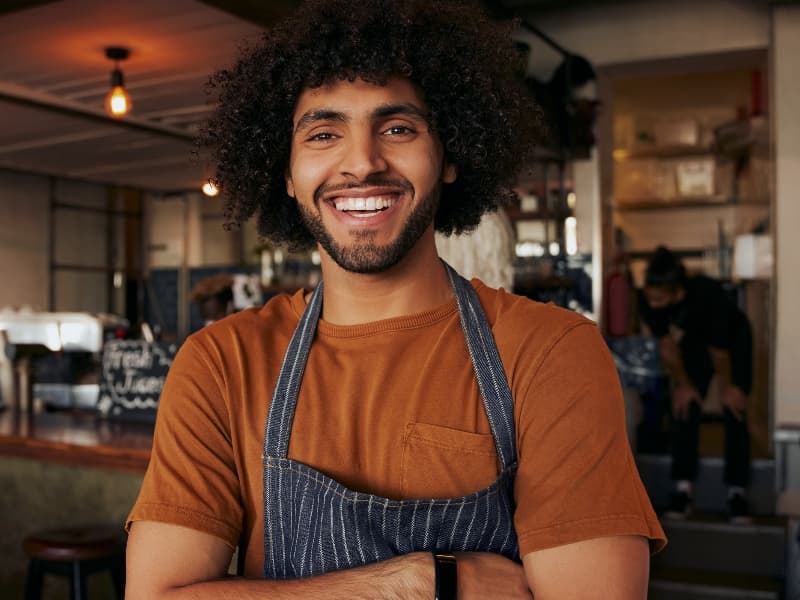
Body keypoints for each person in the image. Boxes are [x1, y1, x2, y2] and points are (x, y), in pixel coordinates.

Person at [125, 1, 666, 597]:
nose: (362, 161)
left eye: (398, 128)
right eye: (324, 134)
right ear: (286, 172)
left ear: (451, 156)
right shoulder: (220, 364)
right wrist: (414, 582)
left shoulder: (550, 353)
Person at [639, 246, 753, 523]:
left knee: (734, 408)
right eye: (649, 297)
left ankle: (737, 492)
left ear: (677, 291)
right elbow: (667, 347)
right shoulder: (647, 300)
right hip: (693, 344)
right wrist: (684, 384)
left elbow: (720, 352)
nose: (652, 304)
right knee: (683, 404)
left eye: (659, 299)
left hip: (733, 340)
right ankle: (683, 489)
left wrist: (727, 388)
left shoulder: (708, 294)